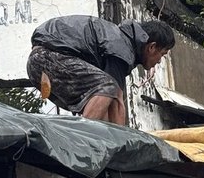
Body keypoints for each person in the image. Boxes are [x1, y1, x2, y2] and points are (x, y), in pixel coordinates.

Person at [26, 15, 175, 125]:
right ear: (152, 47)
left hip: (41, 63)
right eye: (162, 54)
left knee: (101, 102)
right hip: (48, 57)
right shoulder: (121, 46)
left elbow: (110, 104)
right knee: (108, 87)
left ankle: (91, 143)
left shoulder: (120, 42)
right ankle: (83, 142)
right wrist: (124, 144)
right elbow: (117, 100)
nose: (159, 61)